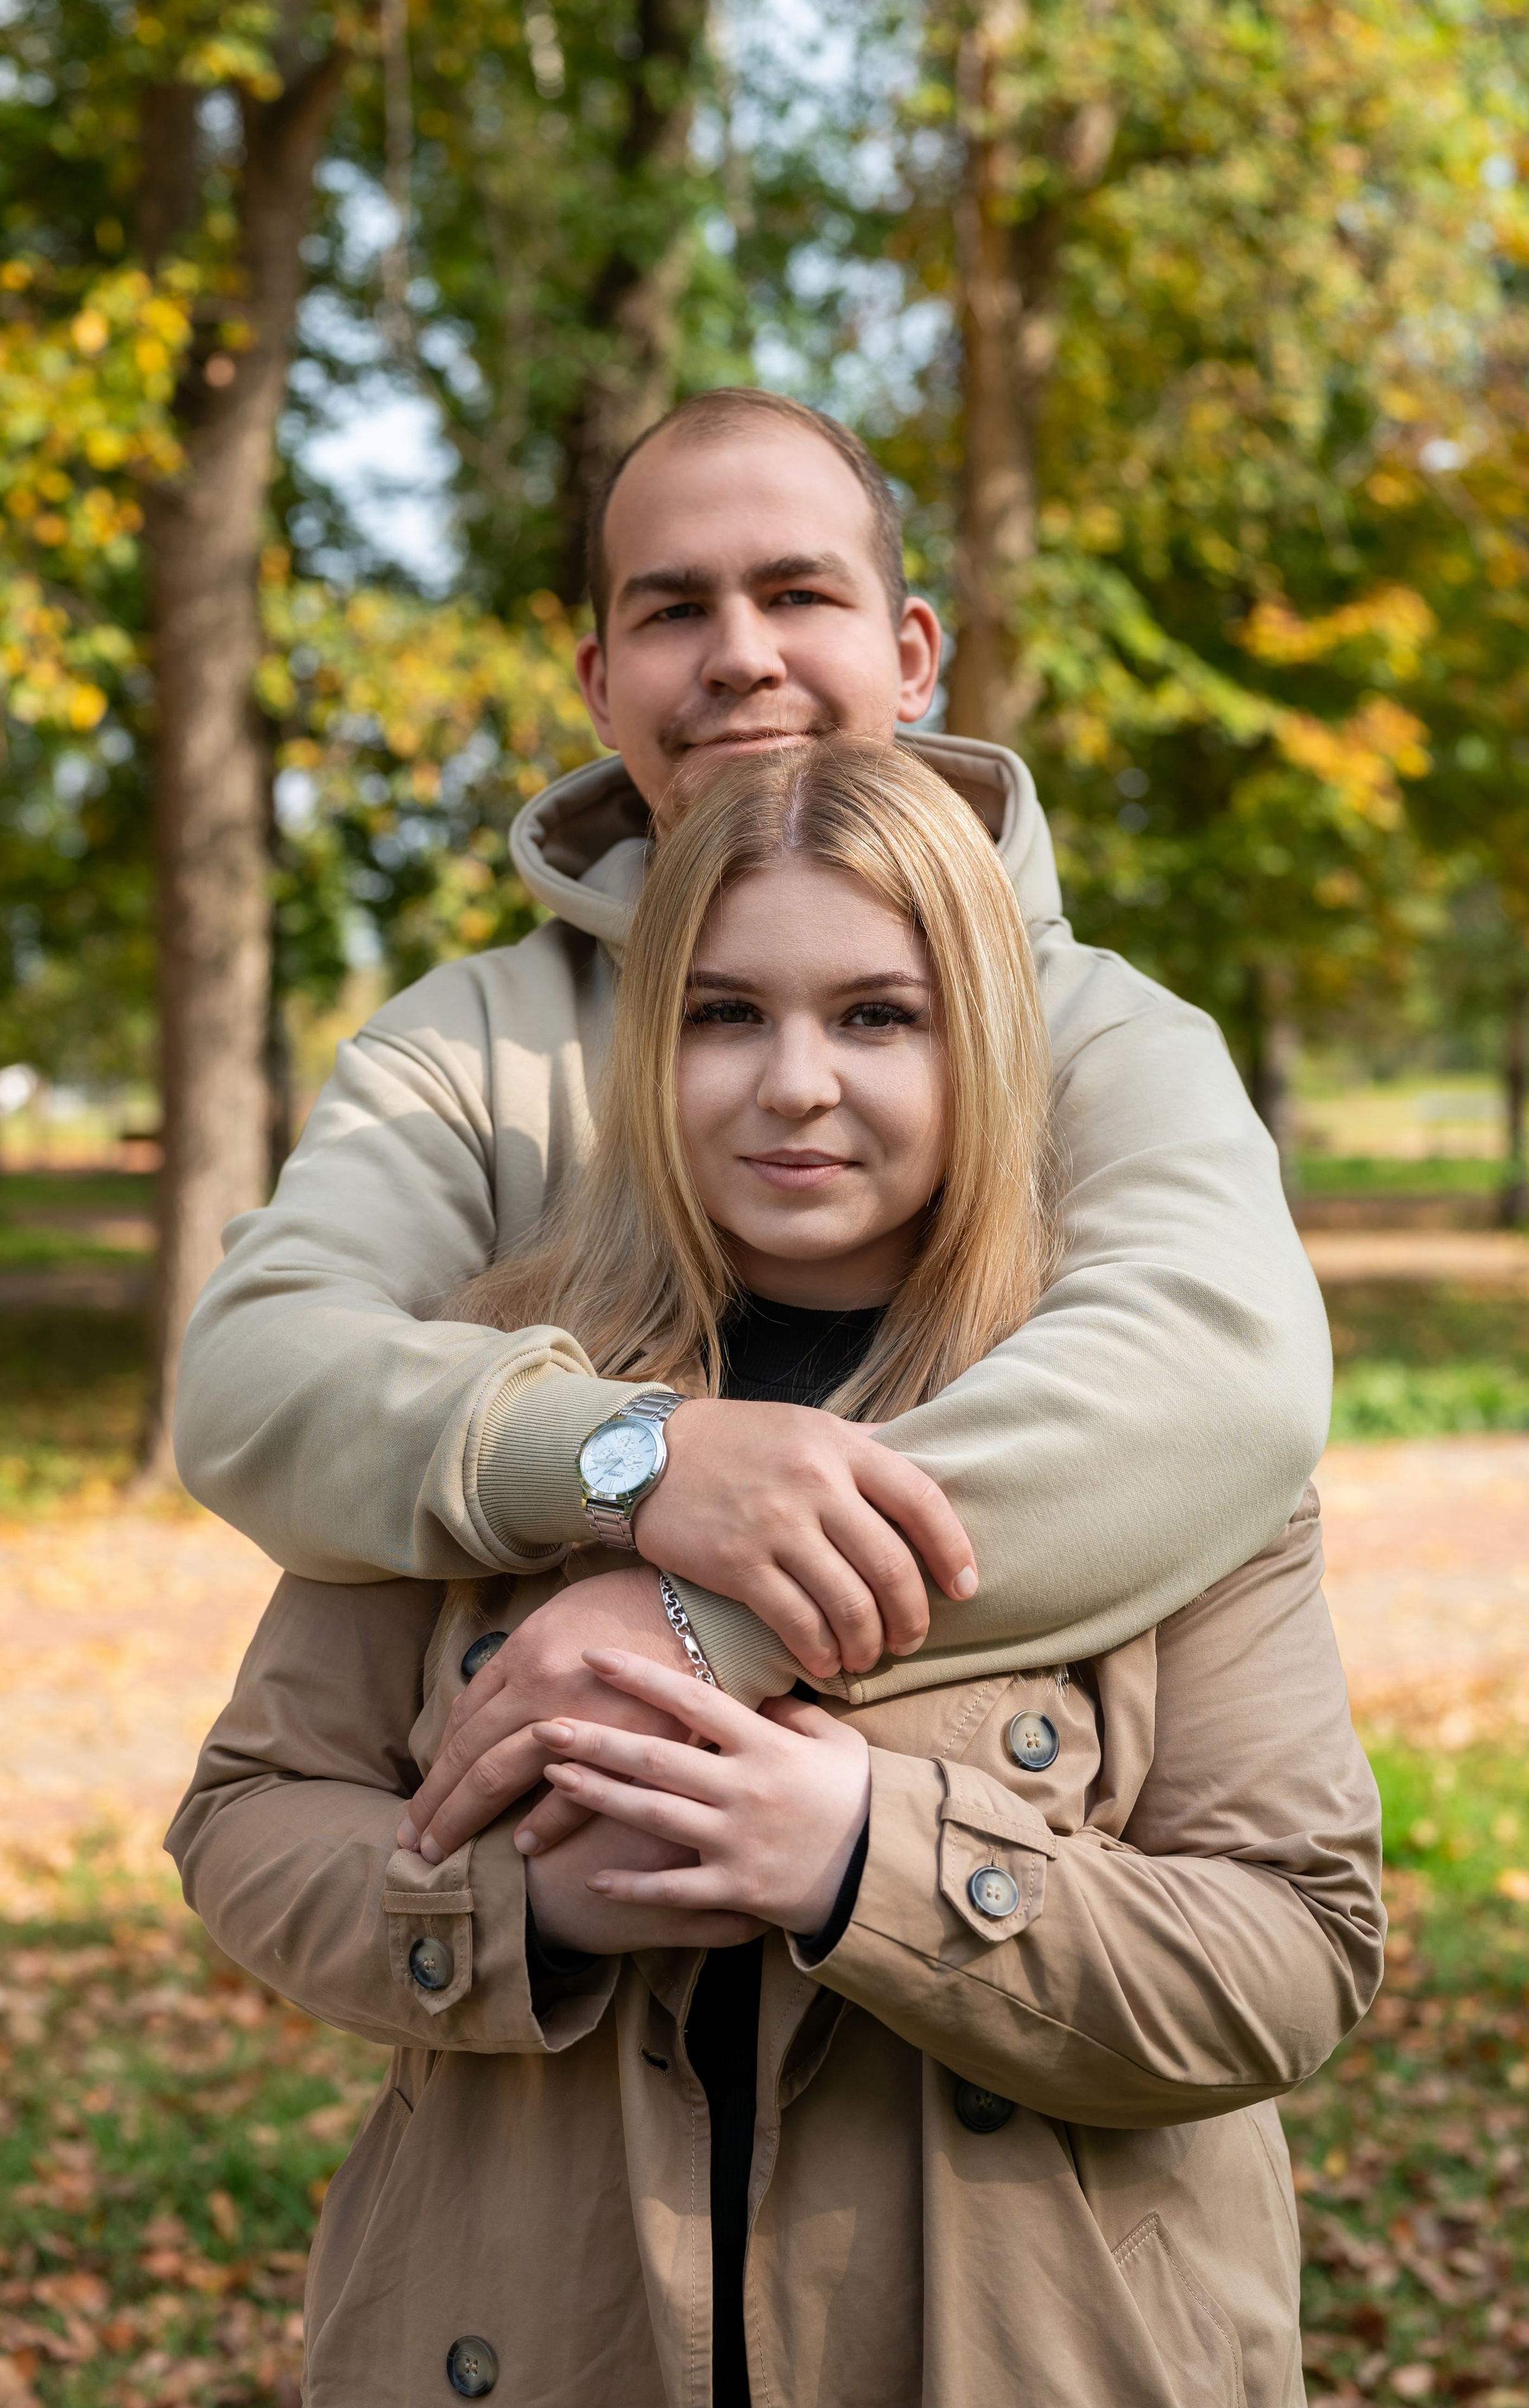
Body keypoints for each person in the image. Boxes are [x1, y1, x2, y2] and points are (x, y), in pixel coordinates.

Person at [169, 740, 1383, 2408]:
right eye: (724, 1014)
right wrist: (520, 1908)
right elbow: (249, 1814)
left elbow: (1294, 1949)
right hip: (534, 2357)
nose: (793, 1084)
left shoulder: (1142, 1420)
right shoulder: (494, 1385)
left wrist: (865, 1858)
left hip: (1032, 2370)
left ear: (986, 1039)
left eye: (879, 1017)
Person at [172, 387, 1331, 1767]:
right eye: (673, 611)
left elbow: (1219, 1379)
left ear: (911, 655)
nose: (739, 656)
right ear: (600, 683)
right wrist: (634, 1459)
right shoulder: (467, 1050)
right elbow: (256, 1373)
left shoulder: (1102, 1033)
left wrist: (704, 1619)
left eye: (796, 594)